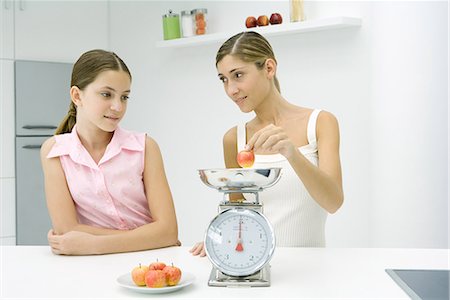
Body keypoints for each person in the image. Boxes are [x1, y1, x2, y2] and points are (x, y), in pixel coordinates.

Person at [190, 31, 343, 256]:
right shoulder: (235, 139)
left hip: (311, 269)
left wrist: (291, 152)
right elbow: (238, 214)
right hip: (254, 268)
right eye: (224, 79)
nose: (231, 90)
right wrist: (219, 239)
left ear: (269, 68)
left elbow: (333, 202)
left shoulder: (320, 123)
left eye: (238, 75)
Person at [40, 49, 179, 255]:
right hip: (92, 265)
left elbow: (168, 231)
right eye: (107, 94)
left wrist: (93, 244)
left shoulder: (145, 147)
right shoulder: (54, 152)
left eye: (124, 97)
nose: (118, 106)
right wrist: (148, 237)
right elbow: (66, 230)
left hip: (150, 259)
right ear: (77, 95)